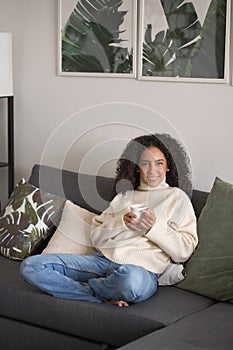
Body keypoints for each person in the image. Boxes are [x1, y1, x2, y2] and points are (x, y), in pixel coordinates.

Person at [20, 133, 198, 307]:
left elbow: (185, 251)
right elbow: (97, 238)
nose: (152, 171)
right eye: (145, 164)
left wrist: (152, 228)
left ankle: (96, 286)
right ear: (136, 167)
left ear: (168, 166)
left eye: (159, 163)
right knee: (31, 266)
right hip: (102, 261)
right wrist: (122, 223)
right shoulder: (124, 196)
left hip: (141, 269)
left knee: (130, 283)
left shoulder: (177, 198)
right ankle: (96, 294)